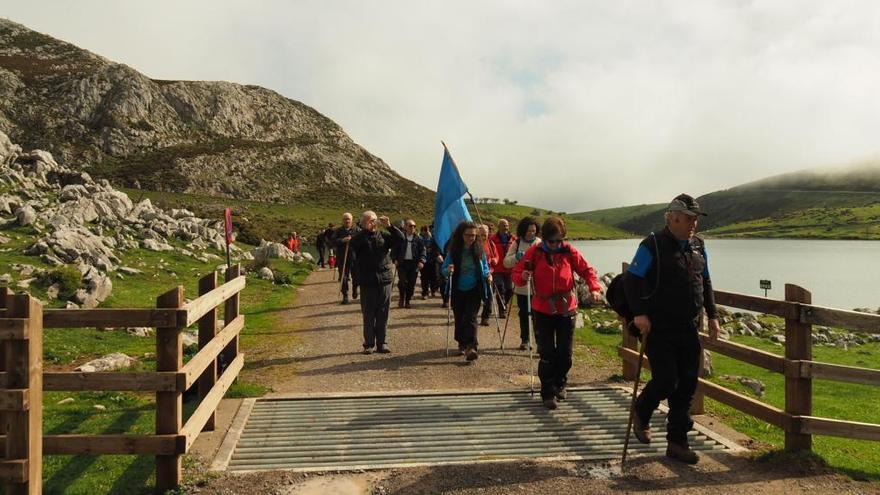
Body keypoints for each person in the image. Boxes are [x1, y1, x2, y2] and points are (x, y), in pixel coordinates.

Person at [624, 193, 722, 465]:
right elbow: (632, 280)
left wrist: (712, 316)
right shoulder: (652, 244)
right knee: (667, 380)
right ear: (673, 218)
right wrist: (640, 313)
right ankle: (642, 411)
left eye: (695, 220)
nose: (693, 224)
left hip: (689, 328)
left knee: (687, 386)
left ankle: (677, 442)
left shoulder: (699, 246)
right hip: (660, 328)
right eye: (688, 219)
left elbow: (706, 281)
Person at [512, 217, 601, 410]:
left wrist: (594, 288)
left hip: (566, 308)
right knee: (546, 353)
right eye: (551, 240)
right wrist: (523, 276)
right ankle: (547, 392)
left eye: (558, 240)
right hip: (542, 308)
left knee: (565, 353)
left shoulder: (569, 251)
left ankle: (560, 382)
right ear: (544, 238)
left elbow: (586, 269)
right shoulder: (535, 252)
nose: (554, 244)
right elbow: (517, 273)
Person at [349, 211, 404, 354]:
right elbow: (353, 247)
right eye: (370, 221)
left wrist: (390, 226)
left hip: (384, 279)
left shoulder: (383, 236)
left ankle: (382, 343)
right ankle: (368, 343)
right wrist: (364, 230)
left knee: (383, 312)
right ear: (364, 222)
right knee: (368, 314)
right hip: (368, 281)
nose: (373, 223)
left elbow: (401, 239)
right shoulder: (358, 238)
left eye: (374, 220)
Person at [441, 221, 491, 361]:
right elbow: (443, 269)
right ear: (461, 235)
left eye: (474, 236)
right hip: (458, 289)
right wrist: (448, 270)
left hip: (474, 289)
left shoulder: (479, 251)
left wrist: (488, 274)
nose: (471, 238)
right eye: (468, 235)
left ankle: (472, 346)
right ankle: (461, 342)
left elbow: (485, 266)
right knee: (459, 317)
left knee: (471, 317)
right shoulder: (454, 251)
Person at [504, 216, 541, 350]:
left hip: (537, 288)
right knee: (524, 314)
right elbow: (506, 263)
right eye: (529, 231)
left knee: (538, 316)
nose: (531, 233)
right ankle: (524, 340)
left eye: (533, 231)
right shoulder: (517, 243)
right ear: (523, 230)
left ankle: (539, 343)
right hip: (522, 287)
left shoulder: (539, 243)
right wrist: (516, 257)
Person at [393, 219, 426, 308]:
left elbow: (423, 251)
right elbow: (394, 250)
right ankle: (402, 297)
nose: (413, 228)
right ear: (405, 227)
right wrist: (395, 259)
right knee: (403, 282)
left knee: (411, 283)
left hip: (414, 264)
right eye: (410, 226)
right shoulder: (401, 238)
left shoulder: (419, 239)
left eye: (414, 226)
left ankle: (407, 300)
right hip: (402, 264)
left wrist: (422, 261)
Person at [489, 219, 515, 318]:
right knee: (500, 289)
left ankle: (504, 304)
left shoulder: (513, 239)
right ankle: (502, 310)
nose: (506, 227)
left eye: (507, 225)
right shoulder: (493, 239)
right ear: (499, 226)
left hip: (509, 269)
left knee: (510, 290)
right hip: (497, 269)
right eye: (503, 225)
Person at [332, 213, 360, 304]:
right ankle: (345, 295)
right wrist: (342, 240)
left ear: (352, 220)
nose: (347, 221)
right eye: (345, 219)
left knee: (356, 276)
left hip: (355, 257)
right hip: (342, 257)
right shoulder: (338, 231)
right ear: (342, 221)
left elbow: (363, 240)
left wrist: (354, 239)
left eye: (348, 219)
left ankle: (355, 288)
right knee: (343, 277)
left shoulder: (357, 230)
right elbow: (332, 241)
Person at [478, 224, 498, 326]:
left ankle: (485, 317)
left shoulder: (491, 244)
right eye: (481, 234)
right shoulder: (474, 244)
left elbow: (496, 256)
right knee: (476, 297)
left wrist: (495, 260)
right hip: (477, 275)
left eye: (484, 234)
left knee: (489, 297)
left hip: (489, 274)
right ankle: (469, 316)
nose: (483, 236)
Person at [419, 225, 440, 299]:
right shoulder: (420, 240)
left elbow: (437, 249)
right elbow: (419, 249)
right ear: (423, 232)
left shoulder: (433, 239)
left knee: (434, 277)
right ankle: (425, 293)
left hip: (433, 261)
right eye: (425, 230)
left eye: (428, 230)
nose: (427, 232)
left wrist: (433, 251)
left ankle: (433, 290)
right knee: (424, 278)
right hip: (424, 262)